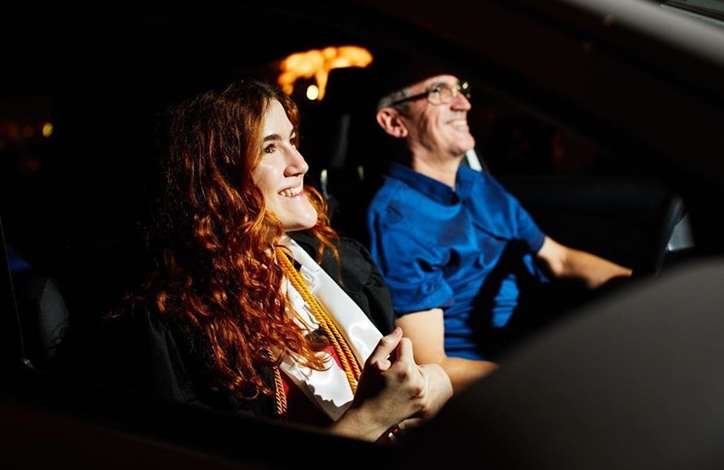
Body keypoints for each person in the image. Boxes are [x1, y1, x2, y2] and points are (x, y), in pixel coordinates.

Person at [95, 77, 452, 443]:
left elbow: (404, 385)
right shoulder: (172, 322)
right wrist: (370, 420)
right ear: (215, 176)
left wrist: (434, 384)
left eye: (292, 141)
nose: (299, 163)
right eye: (269, 149)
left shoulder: (337, 262)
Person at [366, 67, 633, 394]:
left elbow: (560, 259)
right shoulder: (397, 222)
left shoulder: (476, 184)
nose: (463, 103)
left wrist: (641, 285)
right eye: (439, 92)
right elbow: (433, 364)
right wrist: (551, 377)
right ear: (394, 122)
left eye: (460, 89)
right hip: (505, 375)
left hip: (553, 336)